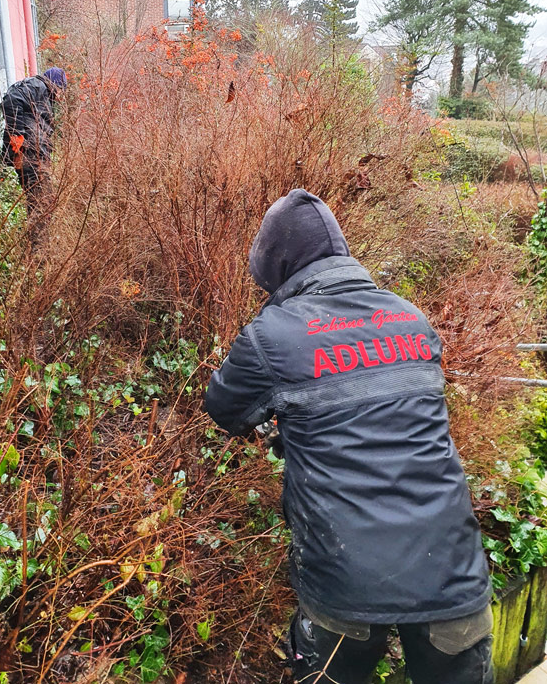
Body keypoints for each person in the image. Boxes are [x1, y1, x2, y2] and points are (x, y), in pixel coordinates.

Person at [205, 189, 493, 684]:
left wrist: (286, 423)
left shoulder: (271, 335)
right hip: (453, 573)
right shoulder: (411, 318)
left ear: (277, 267)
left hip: (345, 583)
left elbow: (223, 407)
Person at [1, 67, 67, 242]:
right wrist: (17, 135)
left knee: (40, 199)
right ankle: (39, 250)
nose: (61, 96)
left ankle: (38, 245)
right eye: (62, 89)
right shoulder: (38, 86)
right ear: (57, 84)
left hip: (34, 155)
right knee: (41, 199)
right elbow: (11, 98)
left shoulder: (43, 93)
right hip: (30, 154)